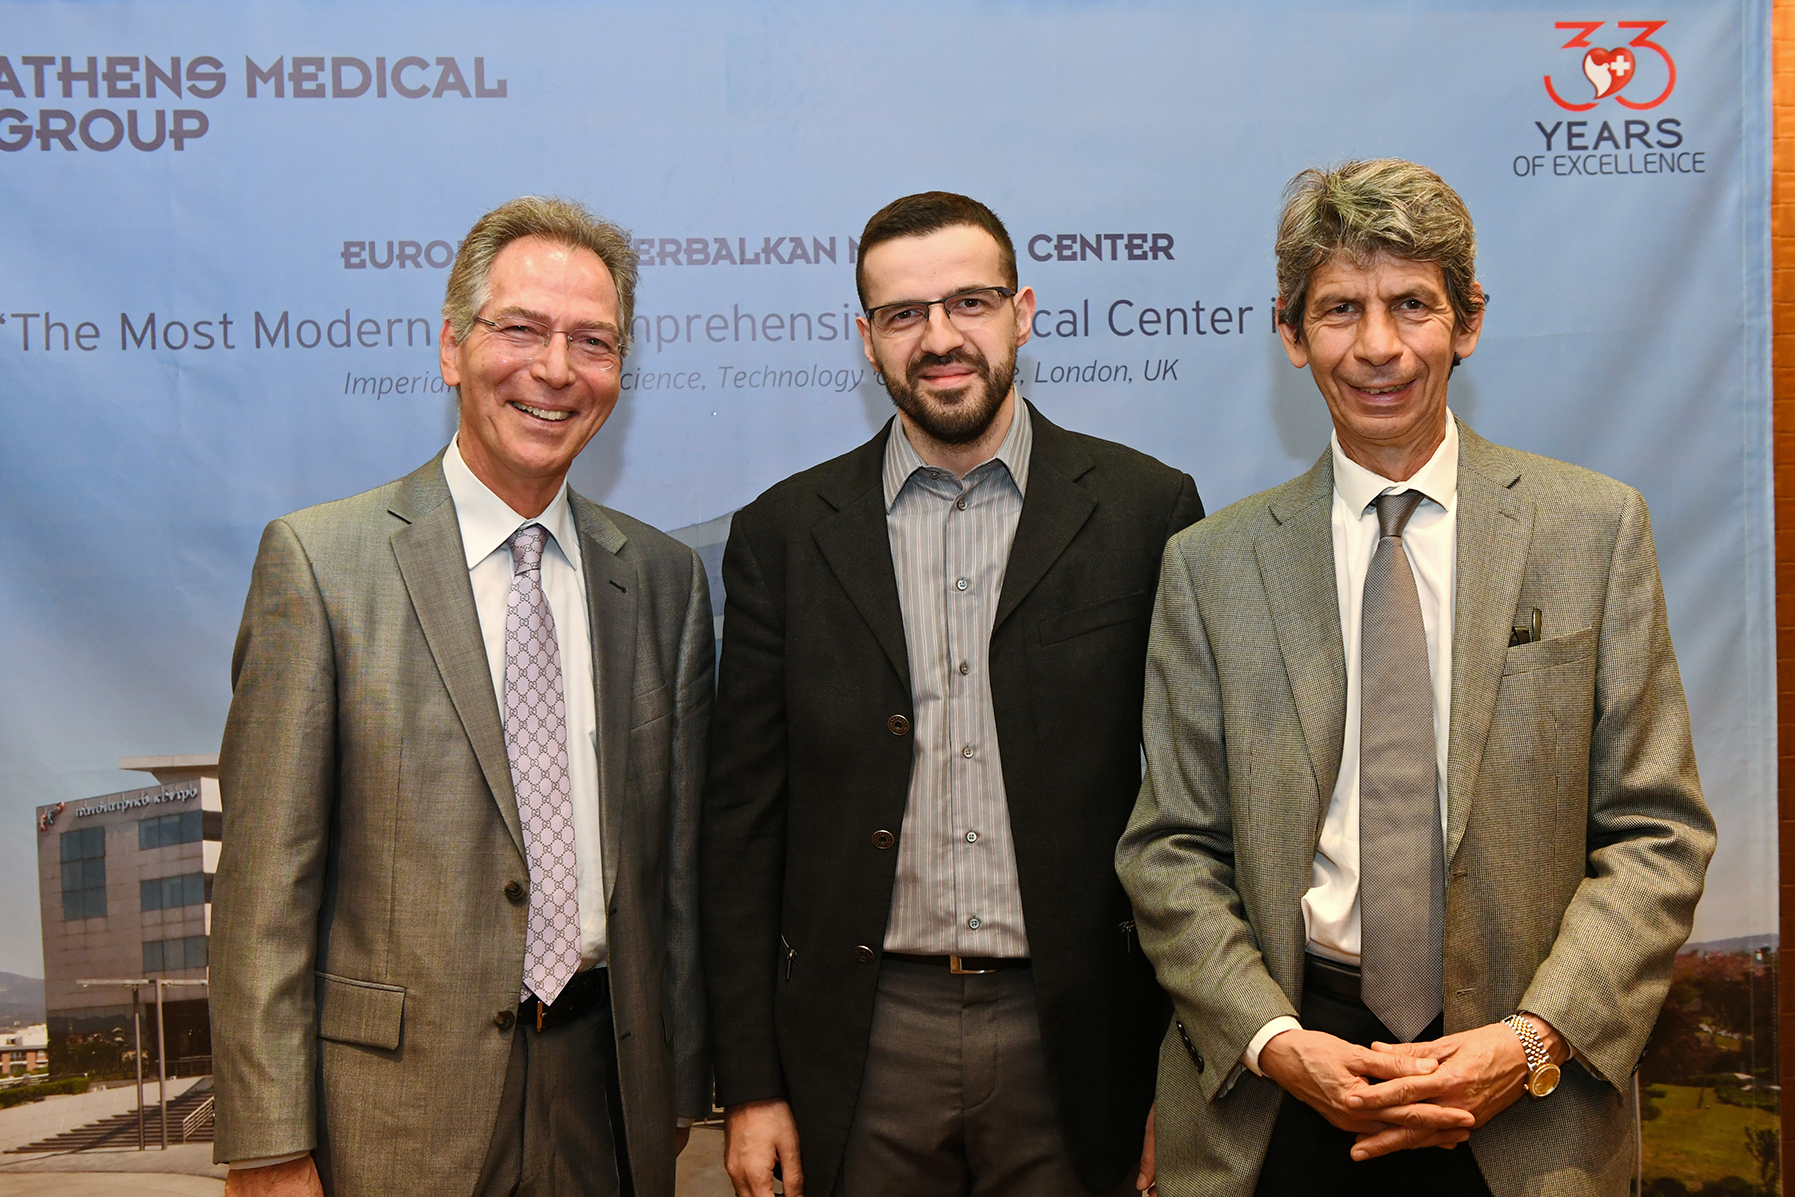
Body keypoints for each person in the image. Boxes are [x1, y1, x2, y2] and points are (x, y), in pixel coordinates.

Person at [1116, 158, 1716, 1196]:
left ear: (1467, 321)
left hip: (1526, 1098)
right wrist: (1273, 1040)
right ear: (1290, 334)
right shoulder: (1211, 566)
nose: (1378, 346)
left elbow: (1656, 832)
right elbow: (1170, 849)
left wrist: (1530, 1040)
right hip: (1284, 1090)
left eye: (1410, 304)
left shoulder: (1594, 529)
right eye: (1339, 309)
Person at [700, 191, 1204, 1197]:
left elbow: (1196, 812)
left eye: (969, 302)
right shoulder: (782, 536)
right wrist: (750, 1085)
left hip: (1081, 1038)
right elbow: (743, 828)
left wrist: (1179, 1067)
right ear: (867, 339)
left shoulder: (1147, 512)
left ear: (1022, 312)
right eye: (903, 314)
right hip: (862, 1036)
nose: (939, 338)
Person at [209, 196, 713, 1197]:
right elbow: (264, 891)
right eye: (520, 328)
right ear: (452, 349)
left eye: (593, 341)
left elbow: (677, 876)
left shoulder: (663, 581)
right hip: (391, 1115)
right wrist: (268, 1145)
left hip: (610, 1101)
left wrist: (683, 1086)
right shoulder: (321, 564)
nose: (556, 369)